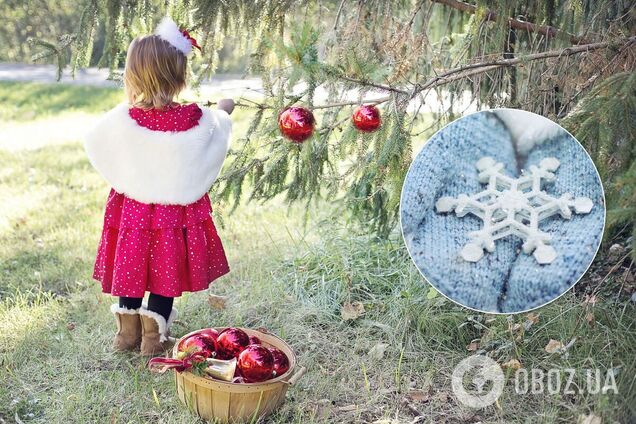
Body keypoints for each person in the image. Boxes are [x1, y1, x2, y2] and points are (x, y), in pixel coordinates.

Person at [84, 17, 234, 355]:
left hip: (134, 211)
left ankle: (127, 335)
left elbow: (95, 140)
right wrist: (225, 108)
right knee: (166, 269)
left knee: (133, 265)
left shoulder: (123, 118)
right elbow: (216, 130)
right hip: (172, 216)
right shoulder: (194, 118)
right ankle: (153, 337)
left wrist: (130, 176)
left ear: (132, 75)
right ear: (180, 76)